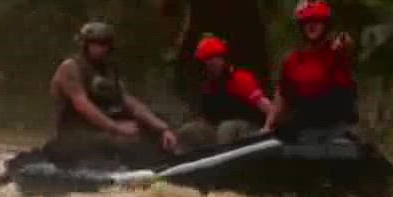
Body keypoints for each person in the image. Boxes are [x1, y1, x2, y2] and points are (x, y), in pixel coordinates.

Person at [46, 20, 179, 166]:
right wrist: (116, 128)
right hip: (74, 133)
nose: (102, 48)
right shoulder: (70, 68)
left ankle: (169, 159)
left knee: (155, 124)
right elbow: (83, 105)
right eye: (96, 43)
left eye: (105, 43)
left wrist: (162, 128)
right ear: (85, 44)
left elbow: (129, 102)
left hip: (100, 130)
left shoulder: (109, 69)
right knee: (122, 142)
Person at [264, 0, 359, 138]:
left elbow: (347, 43)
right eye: (307, 22)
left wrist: (344, 40)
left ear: (326, 25)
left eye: (317, 21)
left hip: (337, 124)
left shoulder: (336, 52)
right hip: (305, 124)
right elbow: (283, 97)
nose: (311, 25)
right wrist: (268, 126)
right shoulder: (293, 60)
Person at [176, 35, 274, 150]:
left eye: (212, 61)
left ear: (222, 60)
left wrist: (267, 129)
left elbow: (270, 109)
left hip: (251, 129)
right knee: (188, 130)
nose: (209, 66)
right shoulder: (208, 86)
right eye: (205, 62)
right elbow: (206, 120)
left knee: (226, 128)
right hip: (221, 132)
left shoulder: (239, 79)